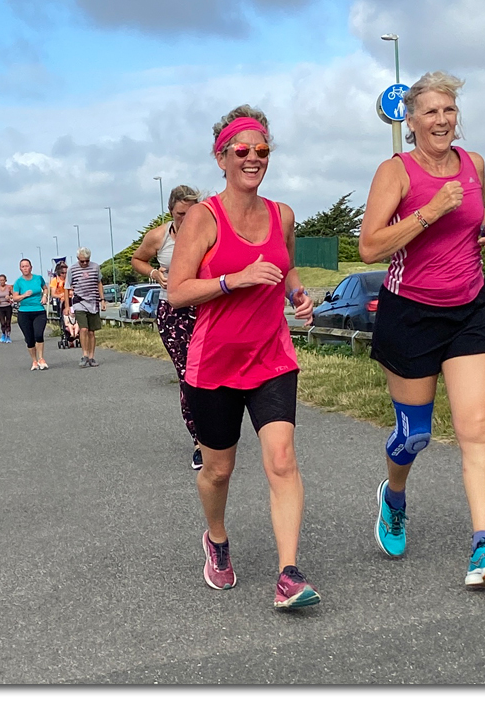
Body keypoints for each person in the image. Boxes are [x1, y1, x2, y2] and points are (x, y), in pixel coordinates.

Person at [358, 71, 485, 589]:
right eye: (431, 111)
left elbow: (474, 220)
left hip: (470, 306)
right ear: (411, 120)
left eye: (449, 110)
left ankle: (483, 545)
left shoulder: (474, 165)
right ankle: (395, 497)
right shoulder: (395, 172)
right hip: (411, 313)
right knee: (415, 435)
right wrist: (428, 212)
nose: (442, 120)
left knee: (479, 426)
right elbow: (370, 248)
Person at [169, 105, 319, 610]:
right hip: (213, 363)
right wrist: (234, 280)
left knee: (282, 458)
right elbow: (177, 291)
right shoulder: (202, 217)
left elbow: (287, 263)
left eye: (262, 150)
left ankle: (289, 574)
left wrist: (297, 295)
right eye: (242, 151)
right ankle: (216, 538)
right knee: (219, 471)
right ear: (221, 157)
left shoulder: (282, 214)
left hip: (271, 356)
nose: (253, 158)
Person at [131, 184, 203, 470]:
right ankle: (199, 440)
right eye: (181, 214)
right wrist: (153, 273)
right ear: (171, 211)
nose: (186, 219)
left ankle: (218, 431)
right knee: (188, 374)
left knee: (212, 371)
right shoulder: (159, 236)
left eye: (192, 212)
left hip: (206, 307)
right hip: (173, 310)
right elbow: (138, 259)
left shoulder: (209, 231)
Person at [65, 248, 105, 368]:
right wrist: (67, 306)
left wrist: (102, 300)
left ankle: (92, 357)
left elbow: (99, 283)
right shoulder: (72, 269)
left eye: (87, 261)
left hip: (93, 302)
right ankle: (85, 355)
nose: (85, 263)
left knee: (92, 332)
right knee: (83, 329)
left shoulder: (95, 267)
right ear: (78, 259)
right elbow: (67, 288)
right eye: (82, 261)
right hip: (79, 302)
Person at [11, 259, 49, 370]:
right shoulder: (18, 282)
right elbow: (15, 298)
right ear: (20, 268)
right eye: (23, 266)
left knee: (38, 334)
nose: (25, 268)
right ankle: (34, 361)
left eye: (27, 266)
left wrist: (44, 296)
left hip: (39, 310)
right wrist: (24, 295)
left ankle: (41, 358)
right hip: (24, 313)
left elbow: (45, 288)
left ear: (31, 267)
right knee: (29, 339)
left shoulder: (38, 278)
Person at [0, 274, 14, 343]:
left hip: (8, 306)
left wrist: (10, 297)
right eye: (0, 280)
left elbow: (13, 295)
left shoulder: (9, 287)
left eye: (3, 280)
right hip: (0, 307)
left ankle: (8, 336)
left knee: (8, 322)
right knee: (3, 323)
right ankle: (3, 334)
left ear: (5, 280)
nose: (2, 282)